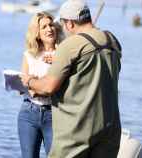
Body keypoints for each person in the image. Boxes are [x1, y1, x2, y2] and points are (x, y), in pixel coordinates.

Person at [21, 0, 122, 158]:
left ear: (69, 24)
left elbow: (48, 87)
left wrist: (28, 81)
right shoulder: (112, 41)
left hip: (78, 133)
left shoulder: (70, 45)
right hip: (110, 130)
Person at [18, 11, 63, 158]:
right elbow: (24, 85)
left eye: (51, 25)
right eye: (44, 27)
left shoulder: (64, 54)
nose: (49, 29)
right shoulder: (29, 55)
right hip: (28, 112)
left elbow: (55, 87)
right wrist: (34, 85)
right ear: (37, 33)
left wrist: (35, 84)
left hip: (55, 114)